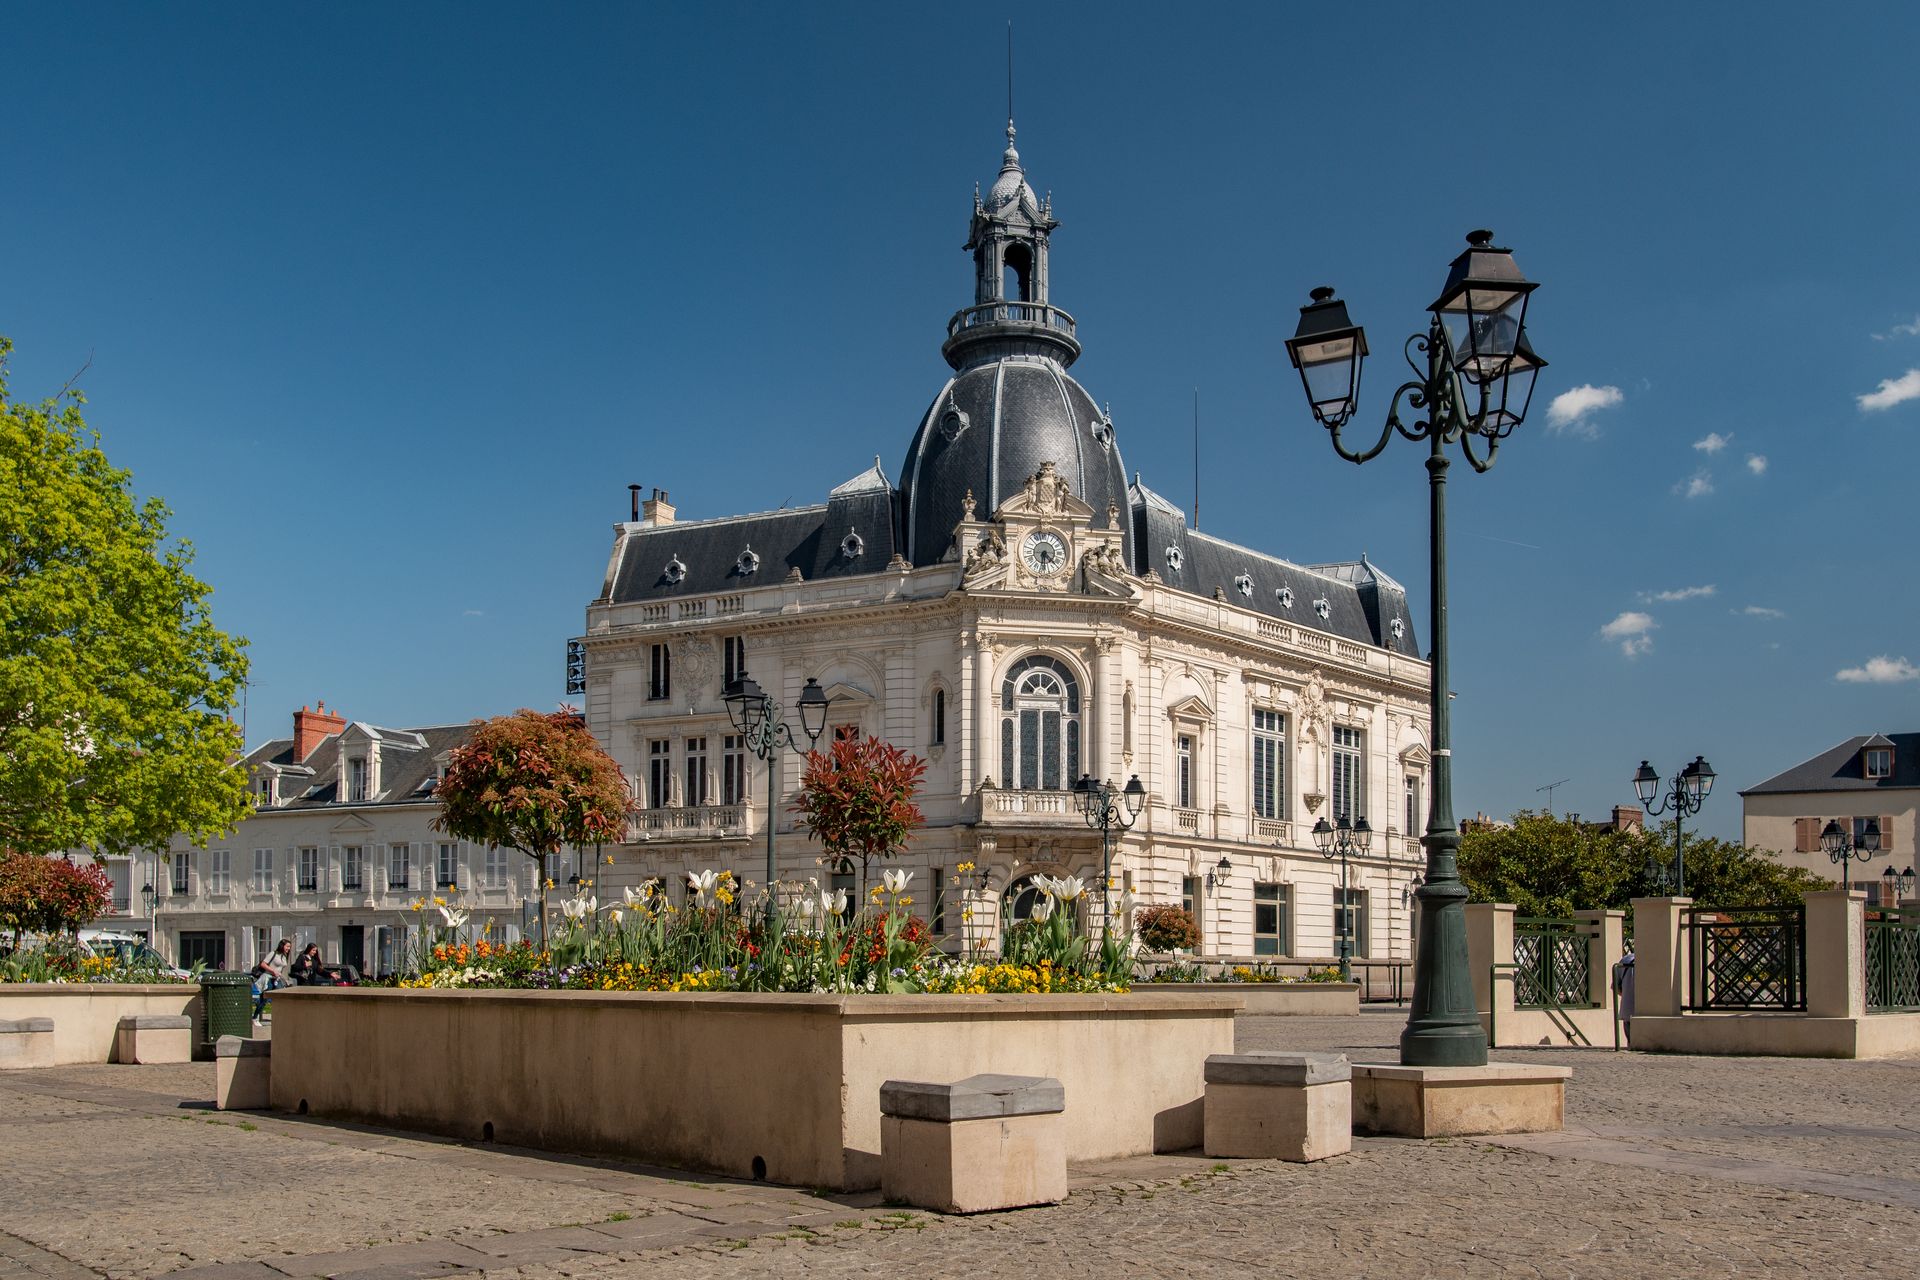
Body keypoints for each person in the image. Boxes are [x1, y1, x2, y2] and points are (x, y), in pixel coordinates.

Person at [251, 938, 292, 1021]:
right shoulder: (273, 953)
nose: (289, 948)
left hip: (277, 979)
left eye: (289, 947)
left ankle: (279, 1017)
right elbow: (263, 964)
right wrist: (273, 971)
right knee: (265, 999)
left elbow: (281, 968)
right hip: (268, 978)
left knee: (281, 997)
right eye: (287, 946)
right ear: (282, 946)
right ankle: (255, 1018)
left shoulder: (284, 956)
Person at [1611, 943, 1637, 1048]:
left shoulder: (1626, 960)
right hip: (1649, 1011)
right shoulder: (1654, 960)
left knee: (1631, 1041)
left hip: (1628, 1009)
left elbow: (1615, 987)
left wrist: (1626, 994)